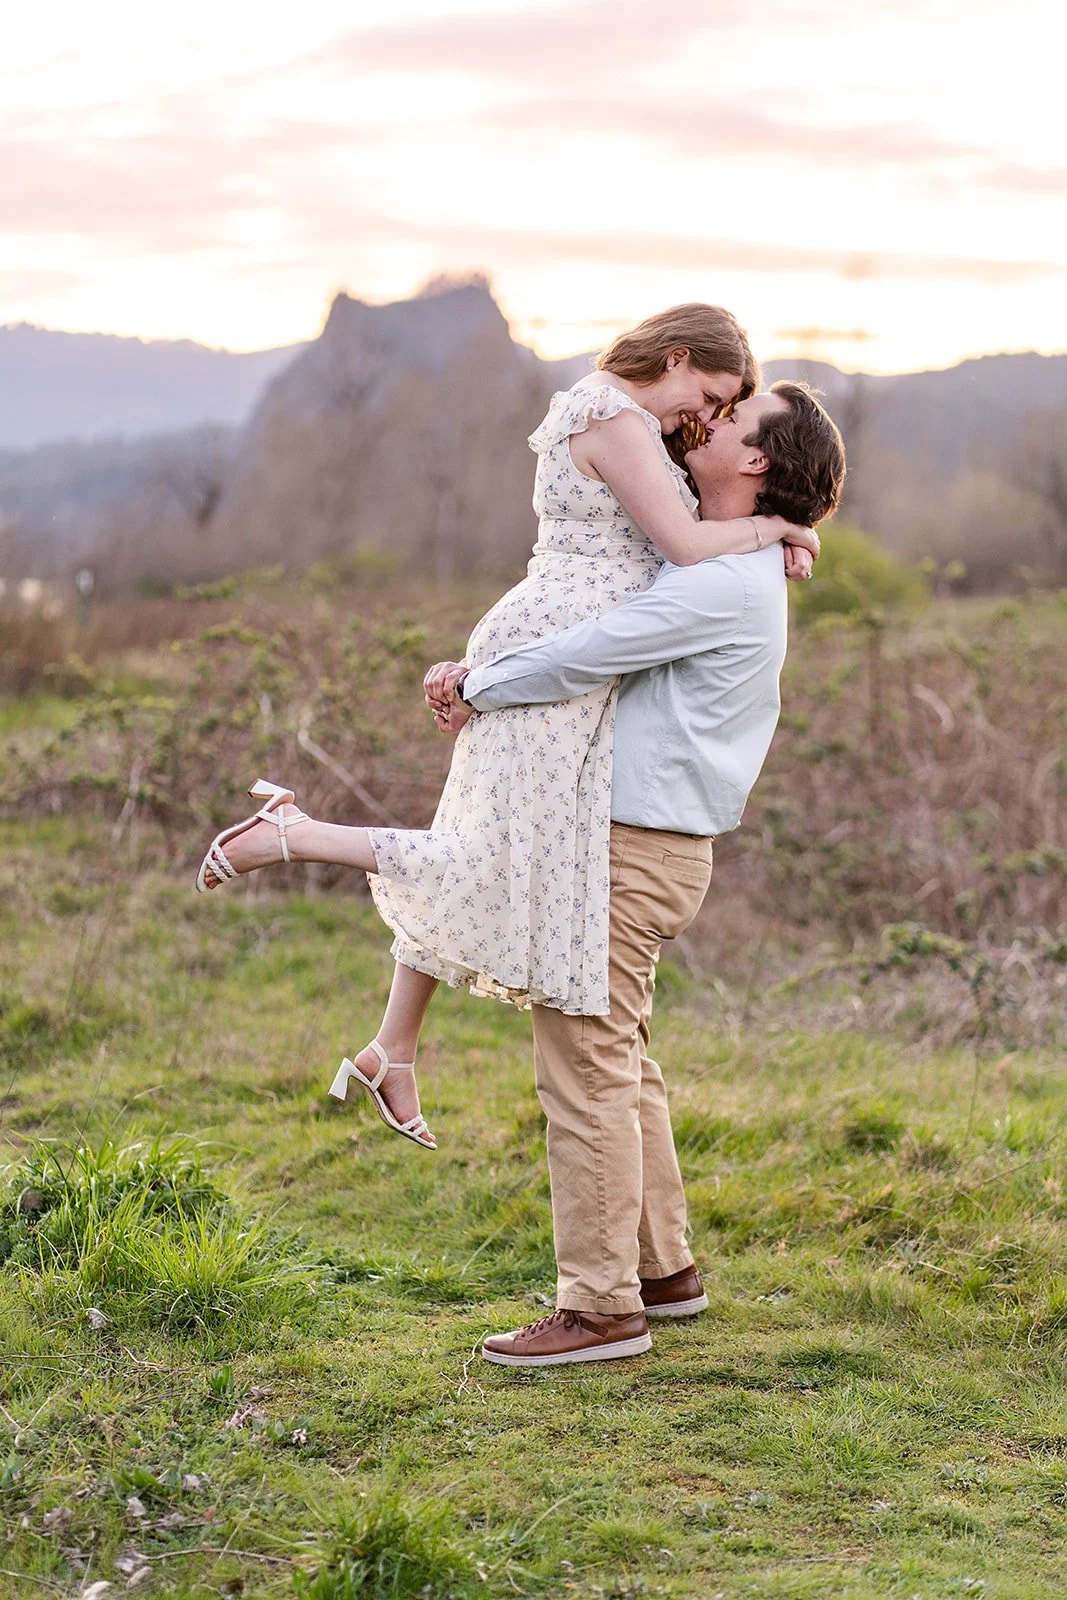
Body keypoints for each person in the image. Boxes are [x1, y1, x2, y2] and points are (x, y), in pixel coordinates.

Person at [195, 306, 818, 1151]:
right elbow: (678, 542)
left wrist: (782, 524)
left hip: (567, 654)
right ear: (675, 359)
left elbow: (690, 519)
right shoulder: (613, 417)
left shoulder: (638, 423)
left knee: (479, 840)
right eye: (707, 395)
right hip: (556, 654)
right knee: (488, 855)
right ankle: (291, 834)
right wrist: (774, 527)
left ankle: (393, 1048)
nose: (703, 418)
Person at [423, 382, 846, 1365]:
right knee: (620, 1055)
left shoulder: (715, 583)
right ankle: (662, 1271)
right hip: (655, 846)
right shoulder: (727, 561)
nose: (710, 420)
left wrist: (469, 684)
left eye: (734, 419)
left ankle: (599, 1307)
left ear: (751, 463)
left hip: (630, 850)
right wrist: (783, 529)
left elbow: (584, 655)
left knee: (580, 1066)